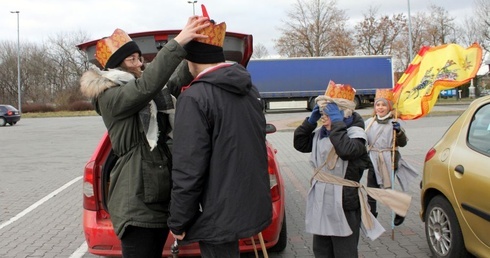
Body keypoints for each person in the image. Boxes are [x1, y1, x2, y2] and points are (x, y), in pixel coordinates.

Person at [79, 16, 210, 258]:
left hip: (158, 197)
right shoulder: (109, 96)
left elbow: (171, 81)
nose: (140, 63)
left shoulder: (150, 91)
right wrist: (178, 43)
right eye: (132, 59)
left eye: (140, 57)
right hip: (135, 200)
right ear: (117, 66)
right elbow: (146, 87)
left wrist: (194, 46)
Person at [167, 6, 272, 258]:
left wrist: (178, 220)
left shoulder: (194, 97)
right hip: (245, 203)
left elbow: (188, 167)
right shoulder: (249, 89)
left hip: (215, 212)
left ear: (190, 60)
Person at [293, 81, 383, 257]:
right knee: (322, 249)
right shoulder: (321, 133)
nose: (323, 117)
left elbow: (345, 150)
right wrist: (309, 123)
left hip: (344, 202)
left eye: (328, 113)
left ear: (342, 114)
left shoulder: (357, 136)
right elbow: (300, 143)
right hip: (321, 201)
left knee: (344, 251)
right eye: (322, 113)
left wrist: (336, 123)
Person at [364, 89, 418, 226]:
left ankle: (400, 209)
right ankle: (371, 216)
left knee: (387, 189)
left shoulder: (394, 123)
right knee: (371, 189)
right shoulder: (369, 122)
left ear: (389, 107)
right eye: (378, 105)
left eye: (383, 105)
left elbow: (403, 143)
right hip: (373, 159)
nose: (380, 108)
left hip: (389, 159)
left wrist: (399, 132)